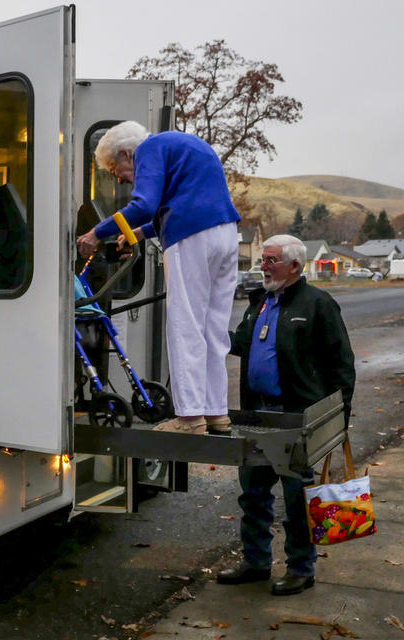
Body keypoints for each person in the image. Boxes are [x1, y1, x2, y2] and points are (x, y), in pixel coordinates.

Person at [76, 121, 241, 433]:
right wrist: (136, 233)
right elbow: (182, 205)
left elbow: (145, 205)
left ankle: (191, 418)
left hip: (191, 237)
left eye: (117, 170)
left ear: (126, 153)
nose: (122, 179)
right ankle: (216, 412)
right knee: (213, 328)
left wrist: (97, 233)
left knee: (185, 324)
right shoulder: (186, 144)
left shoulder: (148, 149)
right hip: (226, 234)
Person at [218, 234, 355, 596]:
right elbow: (243, 344)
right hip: (257, 416)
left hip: (296, 419)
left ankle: (300, 568)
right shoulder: (260, 303)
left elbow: (341, 365)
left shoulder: (318, 304)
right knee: (253, 495)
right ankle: (256, 562)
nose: (263, 266)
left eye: (271, 260)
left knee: (297, 499)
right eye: (263, 259)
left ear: (295, 266)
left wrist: (339, 418)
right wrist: (207, 330)